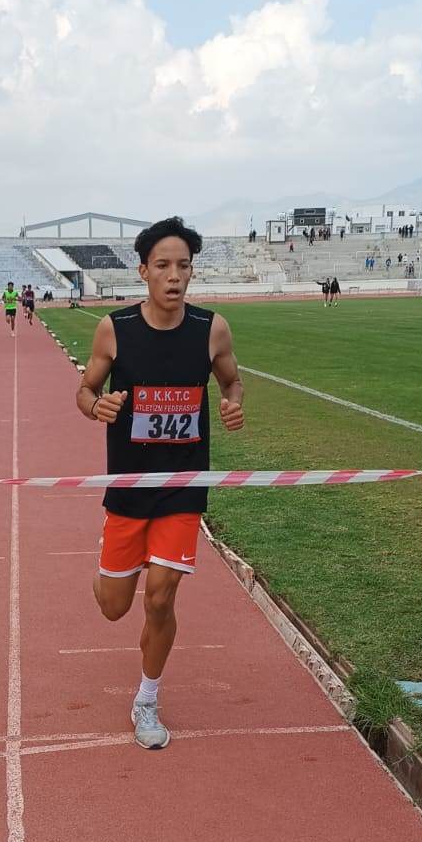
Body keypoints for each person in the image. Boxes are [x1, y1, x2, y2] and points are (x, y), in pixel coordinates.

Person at [77, 216, 244, 750]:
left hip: (183, 485)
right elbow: (85, 390)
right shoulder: (115, 329)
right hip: (129, 486)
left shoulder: (212, 329)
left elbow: (232, 380)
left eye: (184, 266)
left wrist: (232, 403)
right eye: (163, 266)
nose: (174, 276)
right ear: (143, 270)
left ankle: (147, 698)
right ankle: (108, 571)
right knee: (114, 606)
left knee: (161, 597)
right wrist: (97, 406)